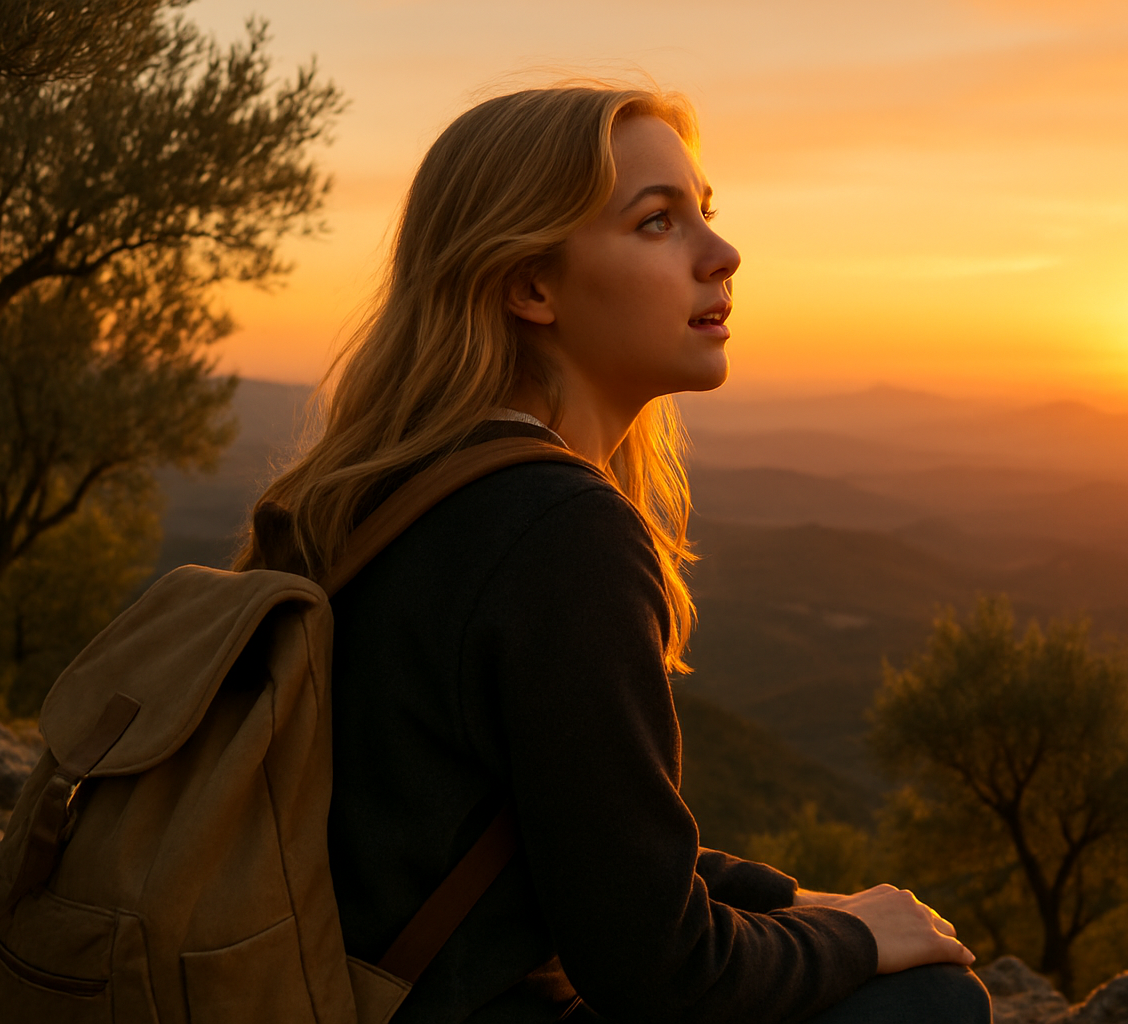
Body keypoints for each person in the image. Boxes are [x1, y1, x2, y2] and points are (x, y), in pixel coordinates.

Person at [237, 83, 992, 1024]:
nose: (723, 255)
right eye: (657, 223)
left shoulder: (371, 487)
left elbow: (556, 829)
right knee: (928, 1003)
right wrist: (858, 939)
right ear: (531, 286)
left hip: (318, 989)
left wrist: (786, 899)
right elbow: (665, 977)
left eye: (704, 215)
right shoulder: (555, 531)